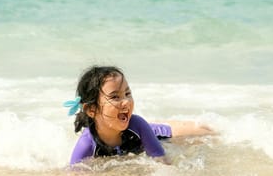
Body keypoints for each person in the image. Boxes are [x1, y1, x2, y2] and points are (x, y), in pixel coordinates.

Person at [64, 65, 214, 165]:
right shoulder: (87, 142)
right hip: (143, 132)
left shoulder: (137, 125)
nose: (126, 101)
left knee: (207, 132)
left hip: (157, 134)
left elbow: (161, 159)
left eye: (127, 94)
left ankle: (161, 124)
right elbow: (75, 172)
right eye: (115, 97)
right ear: (91, 110)